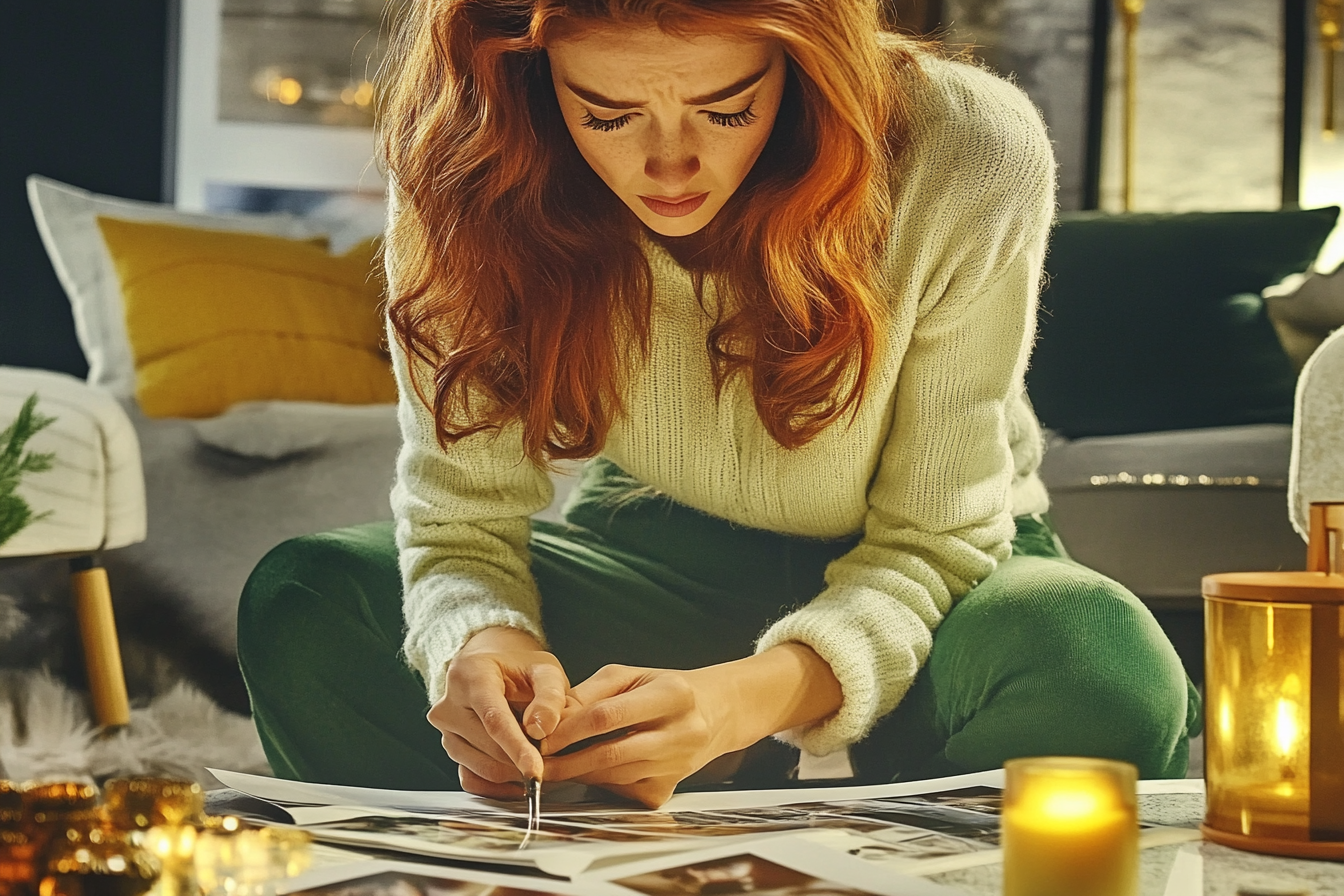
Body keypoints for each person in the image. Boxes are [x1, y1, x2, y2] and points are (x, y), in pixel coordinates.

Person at [237, 0, 1200, 809]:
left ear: (804, 62)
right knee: (310, 597)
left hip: (946, 576)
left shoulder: (966, 146)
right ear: (532, 80)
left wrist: (744, 704)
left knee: (1097, 661)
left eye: (727, 108)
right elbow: (461, 524)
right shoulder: (470, 164)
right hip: (659, 553)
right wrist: (486, 650)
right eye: (607, 115)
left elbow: (935, 539)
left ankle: (785, 789)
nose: (670, 166)